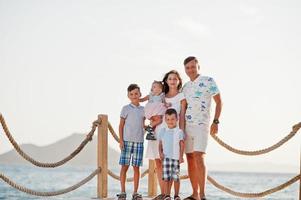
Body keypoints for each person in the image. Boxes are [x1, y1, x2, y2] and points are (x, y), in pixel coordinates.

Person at [182, 56, 222, 200]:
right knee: (190, 158)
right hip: (187, 126)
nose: (190, 70)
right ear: (185, 70)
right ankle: (195, 194)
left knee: (199, 156)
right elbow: (182, 107)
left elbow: (219, 102)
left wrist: (216, 121)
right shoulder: (185, 87)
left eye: (193, 66)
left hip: (202, 125)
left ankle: (203, 195)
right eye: (187, 68)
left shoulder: (208, 81)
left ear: (198, 66)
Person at [145, 70, 187, 200]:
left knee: (172, 163)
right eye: (170, 78)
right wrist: (152, 120)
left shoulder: (182, 96)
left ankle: (173, 194)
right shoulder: (160, 95)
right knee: (158, 161)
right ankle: (164, 193)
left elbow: (182, 117)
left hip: (173, 134)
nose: (172, 81)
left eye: (175, 78)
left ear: (179, 80)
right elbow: (151, 108)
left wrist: (182, 131)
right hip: (158, 130)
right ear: (166, 81)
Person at [117, 84, 145, 200]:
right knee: (124, 167)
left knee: (136, 167)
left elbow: (143, 124)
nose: (134, 96)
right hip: (127, 141)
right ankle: (123, 192)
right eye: (131, 94)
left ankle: (135, 192)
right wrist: (121, 140)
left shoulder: (144, 110)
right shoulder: (125, 109)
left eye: (136, 94)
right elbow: (121, 125)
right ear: (128, 96)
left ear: (140, 94)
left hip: (139, 142)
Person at [158, 108, 184, 200]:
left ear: (177, 119)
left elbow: (181, 144)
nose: (170, 121)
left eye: (173, 119)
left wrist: (181, 156)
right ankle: (167, 195)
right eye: (168, 119)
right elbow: (160, 144)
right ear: (165, 120)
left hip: (176, 158)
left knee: (176, 178)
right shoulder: (162, 131)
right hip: (166, 158)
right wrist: (160, 153)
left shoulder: (179, 132)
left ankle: (176, 195)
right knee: (166, 178)